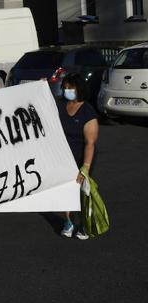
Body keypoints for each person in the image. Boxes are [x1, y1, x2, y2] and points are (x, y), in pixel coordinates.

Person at [57, 73, 99, 240]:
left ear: (79, 89)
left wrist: (85, 167)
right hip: (64, 158)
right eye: (65, 87)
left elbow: (90, 143)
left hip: (82, 158)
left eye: (70, 88)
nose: (67, 90)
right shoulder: (61, 104)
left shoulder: (88, 112)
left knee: (82, 192)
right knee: (65, 191)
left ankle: (84, 224)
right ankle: (68, 222)